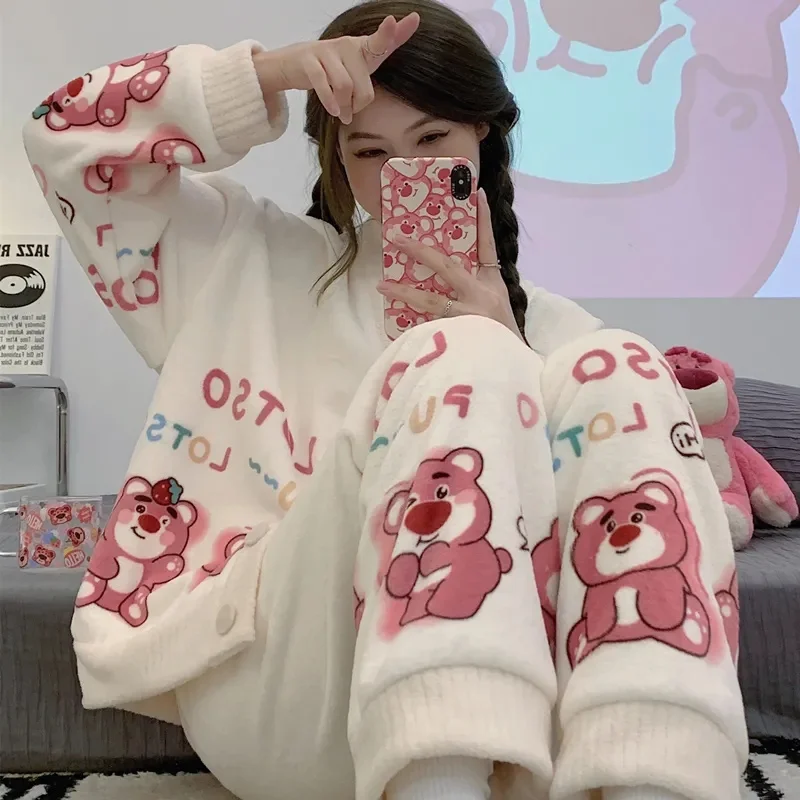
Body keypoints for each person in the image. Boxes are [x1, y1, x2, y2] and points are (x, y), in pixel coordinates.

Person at [22, 1, 747, 798]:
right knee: (462, 354)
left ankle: (651, 779)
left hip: (514, 730)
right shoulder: (238, 259)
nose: (403, 172)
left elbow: (681, 518)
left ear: (482, 137)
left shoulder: (558, 338)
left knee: (622, 362)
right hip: (281, 688)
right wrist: (265, 76)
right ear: (336, 158)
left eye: (432, 140)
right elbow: (62, 136)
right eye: (370, 150)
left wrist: (514, 350)